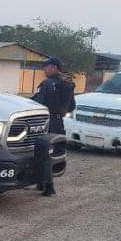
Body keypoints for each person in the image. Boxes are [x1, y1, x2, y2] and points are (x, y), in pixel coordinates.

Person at [30, 56, 75, 196]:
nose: (45, 69)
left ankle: (47, 186)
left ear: (54, 67)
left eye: (47, 67)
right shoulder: (67, 84)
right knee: (53, 153)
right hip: (59, 122)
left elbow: (37, 103)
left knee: (42, 153)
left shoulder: (48, 84)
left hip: (46, 122)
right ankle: (41, 184)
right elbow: (72, 106)